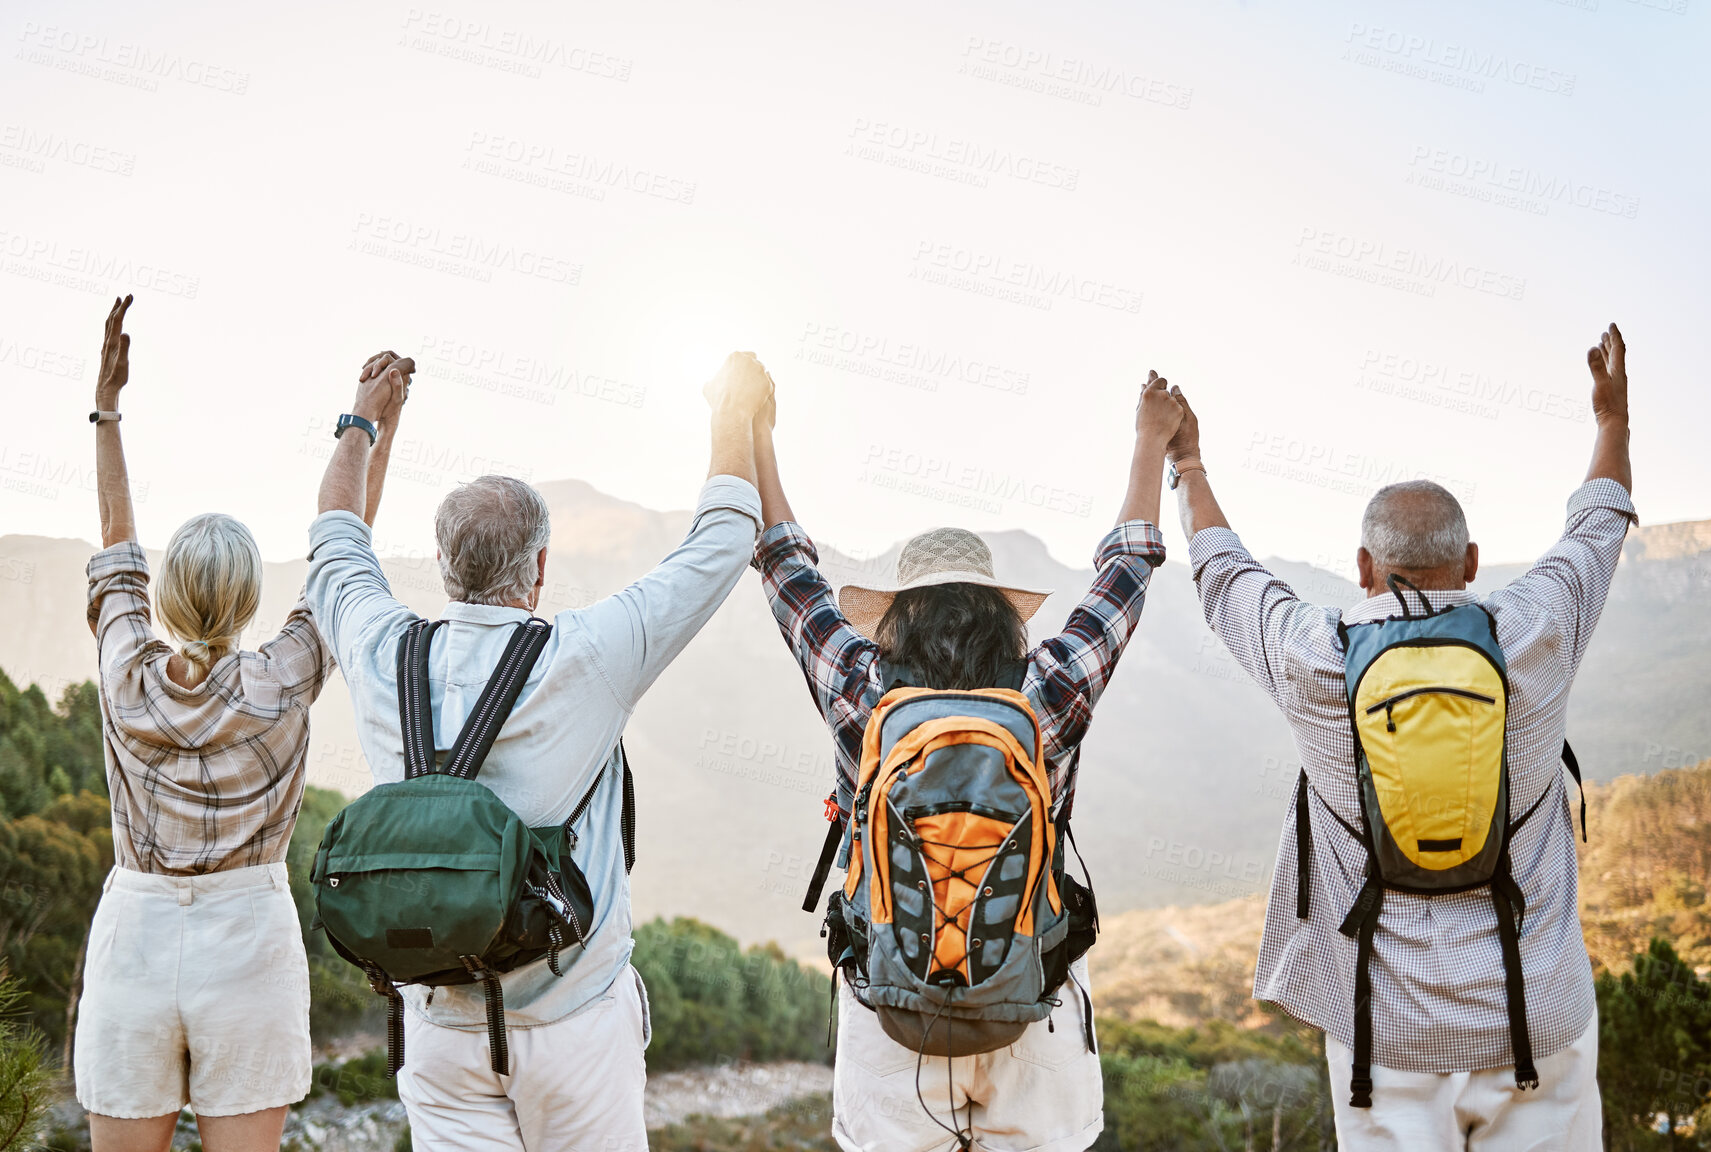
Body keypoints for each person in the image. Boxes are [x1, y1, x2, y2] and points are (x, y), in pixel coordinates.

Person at [1167, 325, 1635, 1150]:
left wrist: (1189, 466)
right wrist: (1612, 420)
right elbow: (1597, 528)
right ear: (1473, 561)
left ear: (1362, 566)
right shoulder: (1536, 628)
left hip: (1383, 1040)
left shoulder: (1316, 655)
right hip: (1537, 1017)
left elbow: (1223, 573)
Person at [304, 350, 771, 1150]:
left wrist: (364, 422)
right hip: (574, 1021)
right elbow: (724, 537)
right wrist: (733, 410)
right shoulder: (591, 653)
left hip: (437, 1024)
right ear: (542, 569)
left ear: (444, 567)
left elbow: (334, 540)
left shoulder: (382, 649)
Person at [750, 368, 1186, 1152]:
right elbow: (1125, 576)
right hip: (1035, 1004)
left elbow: (786, 571)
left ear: (897, 619)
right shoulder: (1048, 691)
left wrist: (755, 433)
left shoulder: (860, 688)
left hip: (891, 1013)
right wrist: (1152, 442)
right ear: (999, 616)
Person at [75, 296, 373, 1152]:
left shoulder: (127, 667)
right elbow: (343, 551)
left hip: (135, 938)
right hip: (250, 946)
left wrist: (108, 409)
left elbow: (115, 535)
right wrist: (362, 426)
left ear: (165, 597)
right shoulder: (284, 677)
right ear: (249, 600)